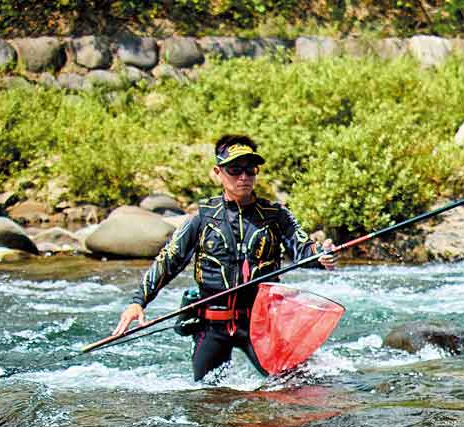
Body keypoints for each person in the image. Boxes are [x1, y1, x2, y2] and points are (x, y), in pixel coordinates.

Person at [110, 134, 337, 381]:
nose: (244, 177)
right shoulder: (202, 217)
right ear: (218, 172)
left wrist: (321, 256)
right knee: (207, 400)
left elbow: (303, 249)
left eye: (250, 170)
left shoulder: (275, 214)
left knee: (293, 388)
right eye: (235, 169)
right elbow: (169, 260)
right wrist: (138, 302)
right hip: (211, 324)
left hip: (262, 323)